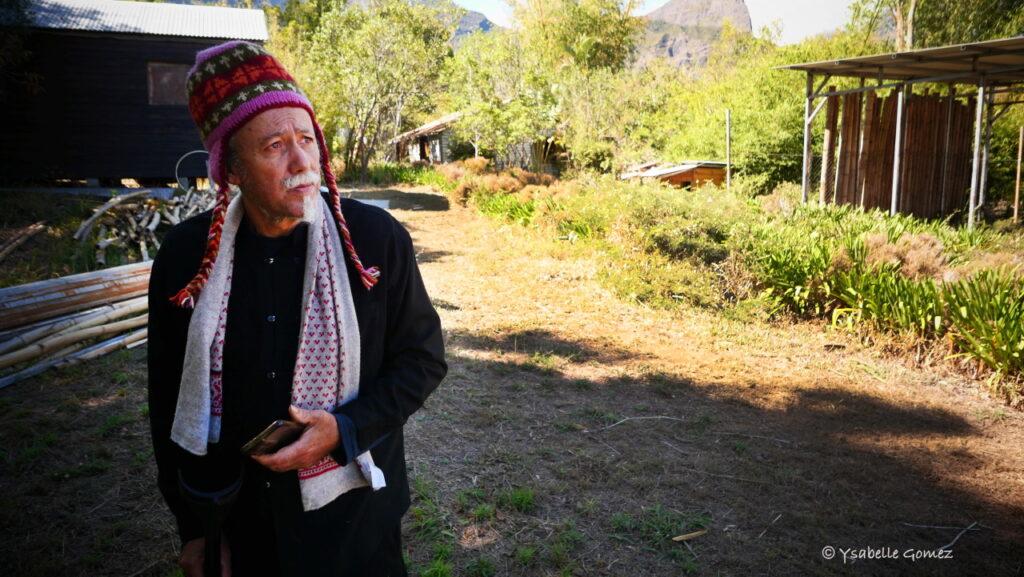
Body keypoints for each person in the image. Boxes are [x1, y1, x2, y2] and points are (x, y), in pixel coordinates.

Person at [147, 40, 447, 577]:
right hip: (237, 519)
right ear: (230, 169)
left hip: (354, 522)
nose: (302, 162)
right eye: (274, 147)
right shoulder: (187, 259)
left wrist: (345, 429)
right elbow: (168, 397)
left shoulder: (375, 243)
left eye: (307, 139)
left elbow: (422, 361)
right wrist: (194, 530)